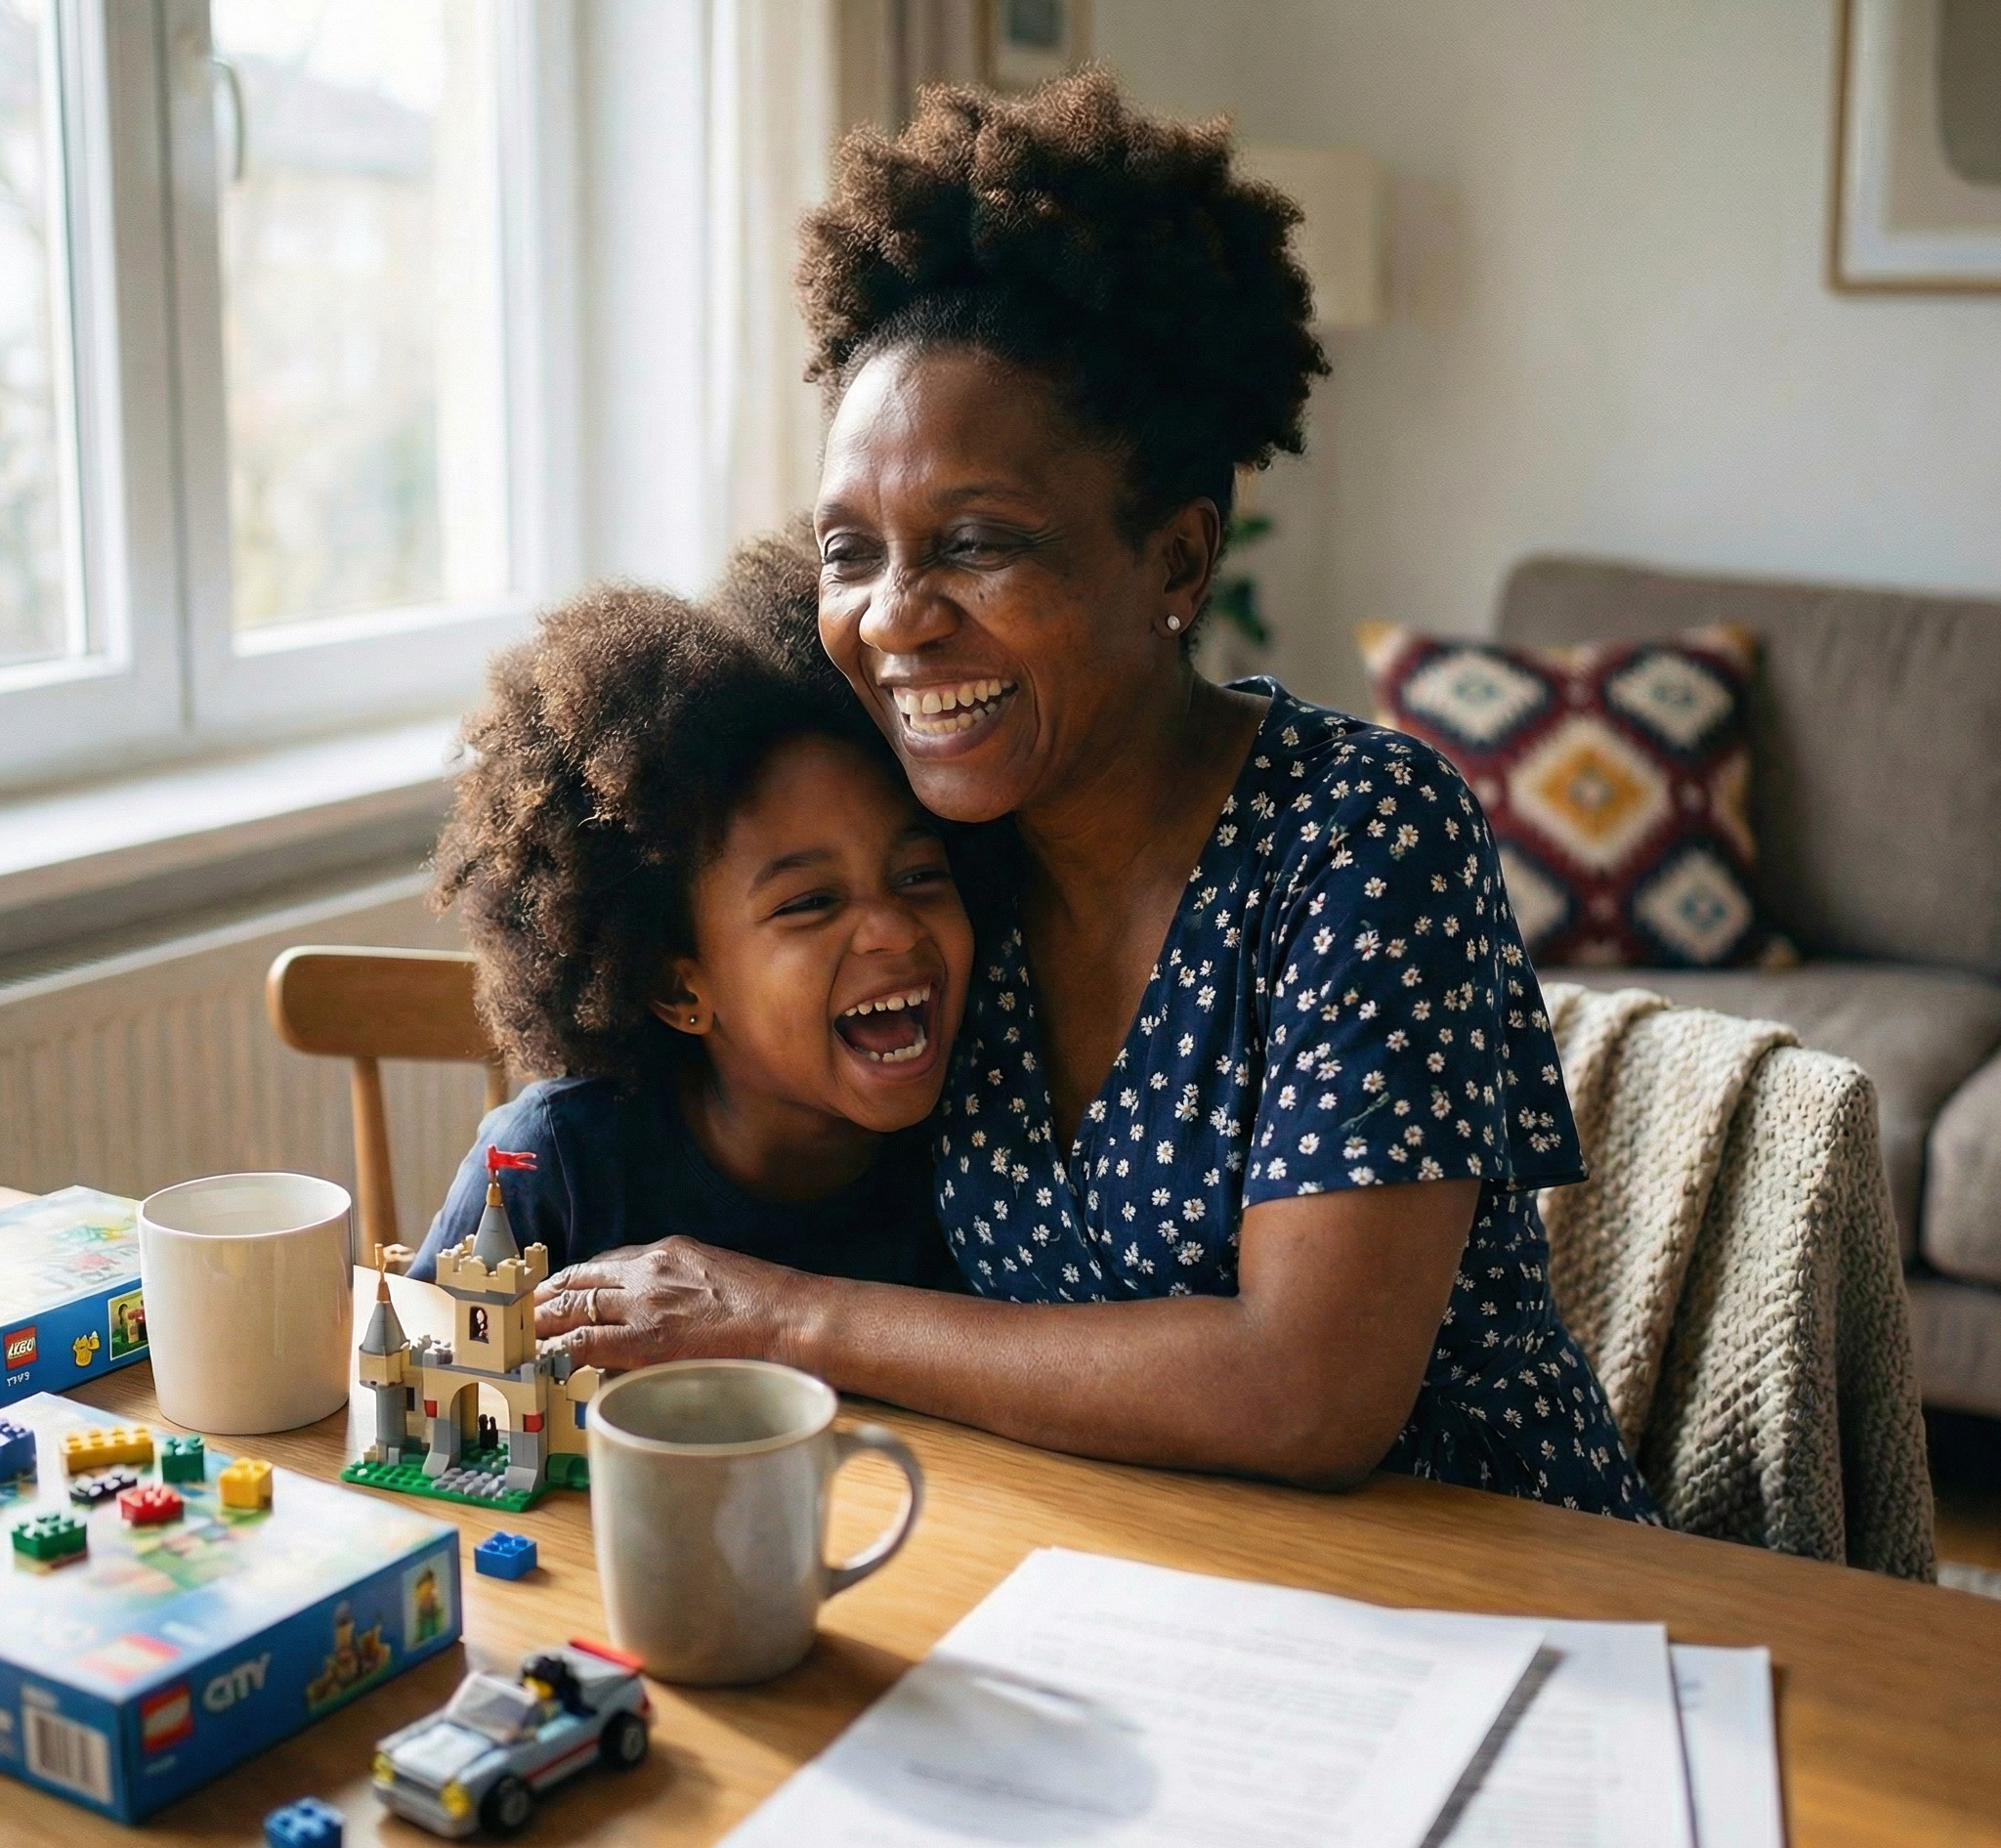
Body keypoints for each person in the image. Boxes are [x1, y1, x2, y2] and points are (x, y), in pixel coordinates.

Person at [538, 75, 1654, 1517]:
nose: (891, 619)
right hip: (1100, 1580)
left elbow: (1307, 1391)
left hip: (1474, 1584)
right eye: (849, 551)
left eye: (978, 541)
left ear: (1178, 564)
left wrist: (781, 1316)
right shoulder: (929, 850)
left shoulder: (1366, 838)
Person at [410, 583, 971, 1293]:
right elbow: (425, 1371)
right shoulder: (553, 1164)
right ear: (680, 988)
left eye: (919, 874)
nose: (893, 928)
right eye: (811, 903)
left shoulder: (987, 1145)